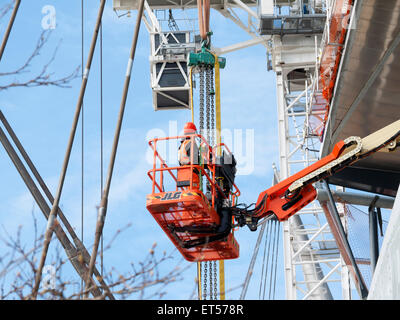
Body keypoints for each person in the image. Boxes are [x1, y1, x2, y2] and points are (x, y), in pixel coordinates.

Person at [177, 122, 200, 189]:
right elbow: (195, 160)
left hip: (183, 173)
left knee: (187, 191)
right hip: (191, 173)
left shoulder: (182, 145)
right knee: (194, 192)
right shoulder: (191, 143)